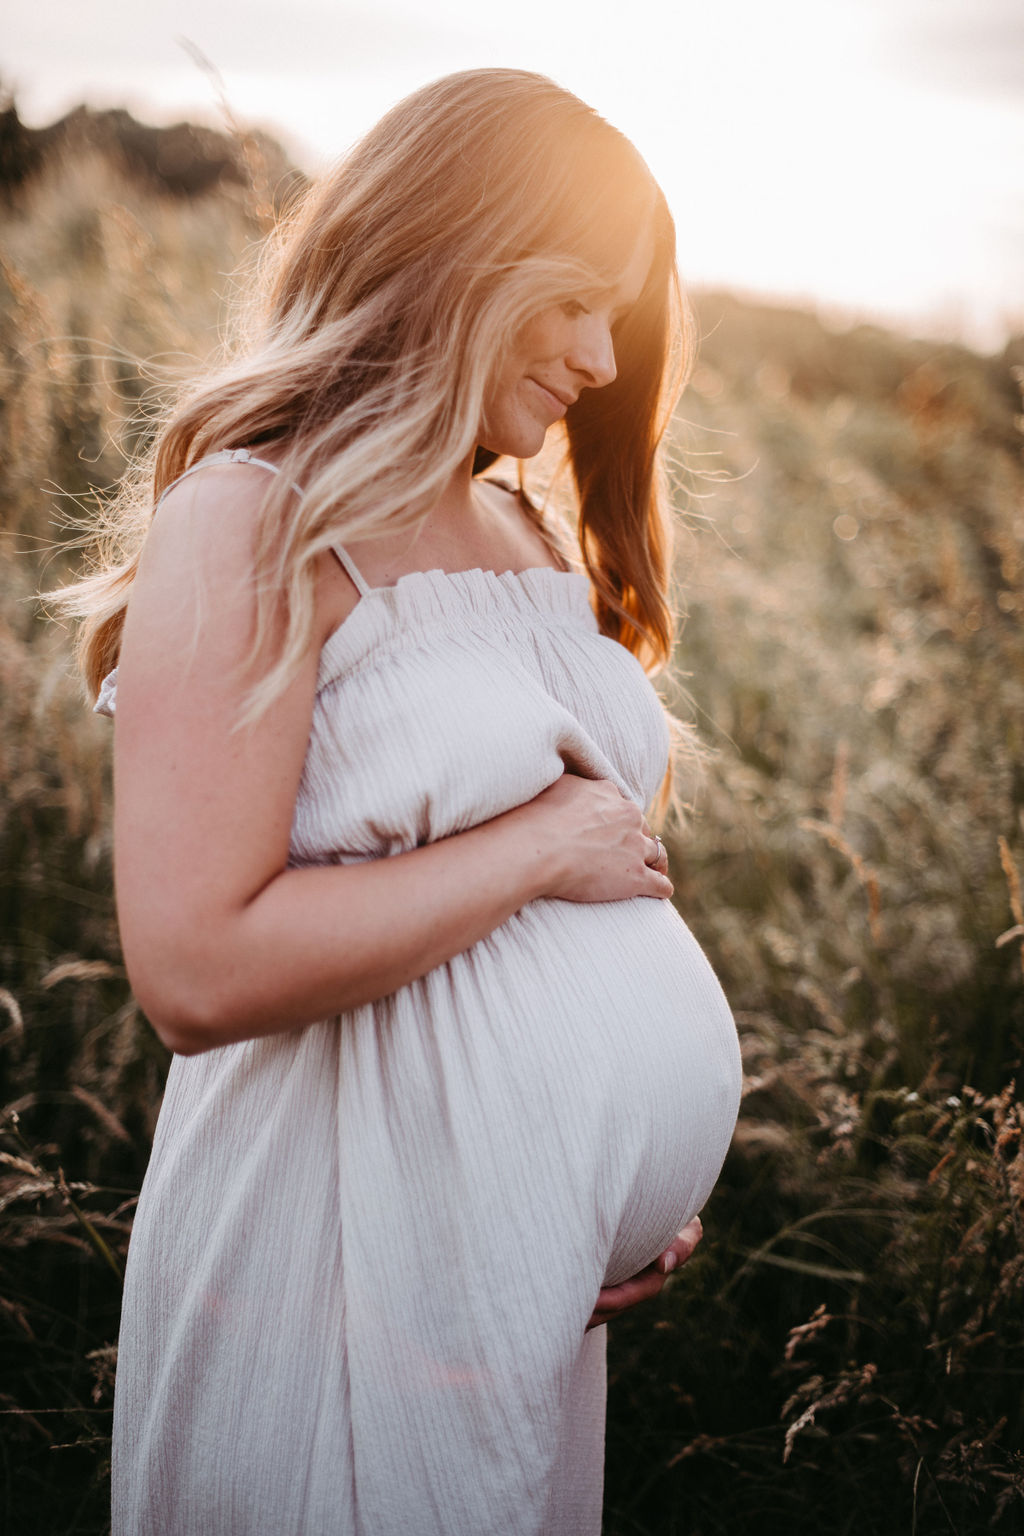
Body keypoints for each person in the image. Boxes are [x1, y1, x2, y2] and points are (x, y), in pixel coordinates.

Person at [56, 67, 742, 1536]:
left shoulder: (521, 526)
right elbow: (193, 967)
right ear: (453, 251)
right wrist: (542, 845)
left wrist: (604, 1180)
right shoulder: (253, 515)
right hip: (329, 1265)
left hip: (518, 1287)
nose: (598, 362)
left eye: (616, 319)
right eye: (571, 303)